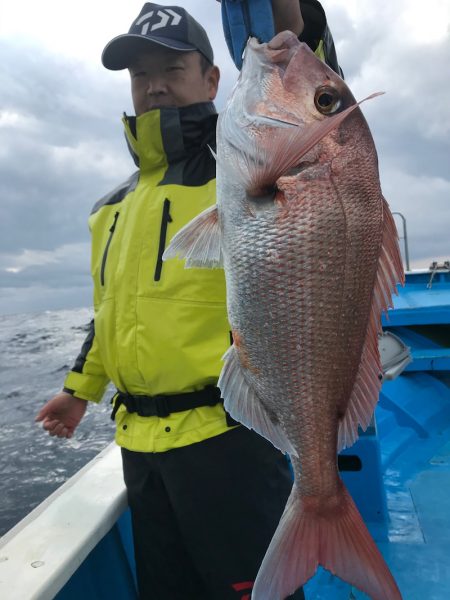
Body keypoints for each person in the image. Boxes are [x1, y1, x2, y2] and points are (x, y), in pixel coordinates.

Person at [36, 2, 341, 598]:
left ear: (211, 79)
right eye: (140, 73)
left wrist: (301, 33)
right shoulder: (111, 206)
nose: (153, 85)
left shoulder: (247, 165)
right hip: (141, 451)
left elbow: (316, 115)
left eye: (172, 69)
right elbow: (112, 313)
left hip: (227, 441)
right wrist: (79, 392)